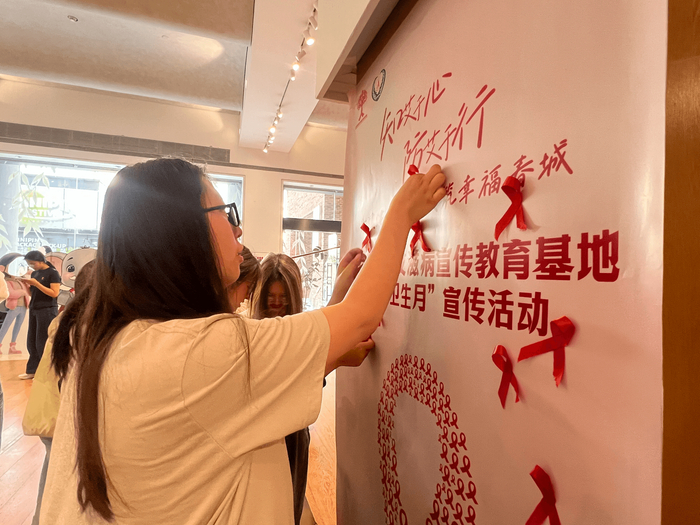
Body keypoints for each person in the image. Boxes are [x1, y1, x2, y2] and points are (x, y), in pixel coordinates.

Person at [40, 157, 445, 524]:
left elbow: (234, 394)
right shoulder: (200, 351)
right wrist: (400, 214)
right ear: (182, 233)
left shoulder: (111, 337)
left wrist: (334, 348)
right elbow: (361, 317)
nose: (238, 229)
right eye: (224, 212)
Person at [248, 252, 373, 525]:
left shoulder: (294, 332)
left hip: (294, 440)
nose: (277, 307)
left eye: (283, 300)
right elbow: (293, 379)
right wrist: (337, 360)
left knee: (291, 505)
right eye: (271, 300)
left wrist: (340, 290)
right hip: (268, 447)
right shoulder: (254, 341)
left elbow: (316, 341)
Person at [23, 260, 96, 525]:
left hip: (51, 413)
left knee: (51, 477)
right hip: (62, 417)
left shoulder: (65, 320)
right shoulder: (87, 327)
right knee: (63, 484)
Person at [20, 251, 61, 380]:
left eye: (32, 263)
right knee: (31, 341)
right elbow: (33, 294)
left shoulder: (53, 273)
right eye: (29, 264)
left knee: (42, 341)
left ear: (40, 260)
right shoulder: (35, 273)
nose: (31, 266)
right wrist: (26, 285)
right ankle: (32, 370)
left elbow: (54, 293)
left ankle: (46, 372)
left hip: (47, 309)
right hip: (34, 308)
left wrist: (37, 284)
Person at [0, 257, 31, 355]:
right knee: (5, 326)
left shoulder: (20, 281)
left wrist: (28, 284)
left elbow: (28, 292)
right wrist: (22, 292)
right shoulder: (7, 281)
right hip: (14, 307)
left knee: (18, 326)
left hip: (23, 307)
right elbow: (10, 294)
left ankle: (12, 346)